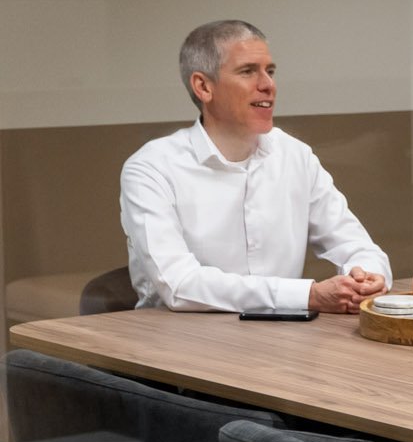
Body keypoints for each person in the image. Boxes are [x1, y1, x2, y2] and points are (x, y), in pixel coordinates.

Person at [120, 20, 391, 314]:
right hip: (177, 342)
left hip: (282, 340)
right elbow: (180, 285)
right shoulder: (151, 168)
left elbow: (357, 246)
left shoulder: (295, 156)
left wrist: (366, 278)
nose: (268, 85)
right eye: (248, 71)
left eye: (270, 71)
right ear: (203, 86)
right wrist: (307, 295)